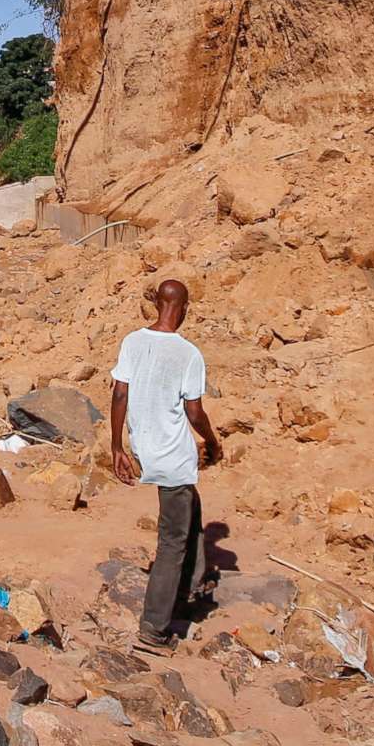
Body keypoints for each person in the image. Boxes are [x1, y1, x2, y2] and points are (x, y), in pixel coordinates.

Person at [109, 278, 222, 655]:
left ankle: (192, 586)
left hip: (146, 447)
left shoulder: (132, 341)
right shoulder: (188, 354)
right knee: (172, 541)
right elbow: (194, 410)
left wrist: (116, 446)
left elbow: (120, 392)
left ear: (156, 303)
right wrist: (213, 440)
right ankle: (154, 628)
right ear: (185, 307)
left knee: (190, 509)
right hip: (173, 453)